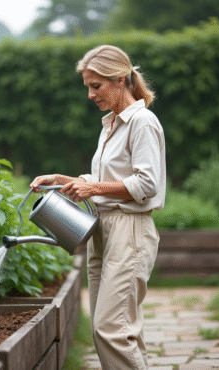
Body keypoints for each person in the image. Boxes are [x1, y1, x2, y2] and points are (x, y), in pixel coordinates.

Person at [30, 45, 166, 370]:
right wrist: (62, 179)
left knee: (110, 328)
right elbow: (108, 179)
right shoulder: (112, 125)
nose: (90, 95)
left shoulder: (142, 122)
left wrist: (94, 187)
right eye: (88, 87)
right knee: (115, 328)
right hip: (103, 229)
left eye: (96, 86)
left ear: (120, 80)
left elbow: (147, 185)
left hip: (129, 231)